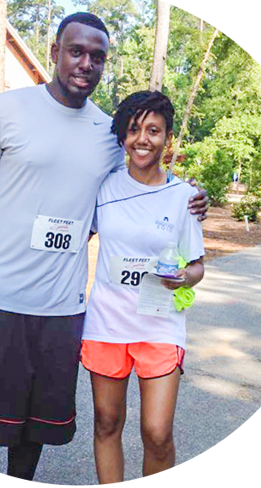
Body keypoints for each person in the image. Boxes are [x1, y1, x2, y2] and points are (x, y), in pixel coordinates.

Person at [0, 13, 208, 486]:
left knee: (35, 425)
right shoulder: (6, 110)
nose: (85, 63)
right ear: (54, 51)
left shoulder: (111, 135)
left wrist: (190, 198)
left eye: (97, 57)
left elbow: (141, 184)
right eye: (76, 51)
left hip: (63, 309)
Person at [81, 91, 205, 486]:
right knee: (106, 422)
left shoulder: (186, 197)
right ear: (122, 136)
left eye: (153, 130)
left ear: (167, 138)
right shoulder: (103, 188)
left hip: (159, 323)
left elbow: (197, 265)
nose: (142, 139)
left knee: (156, 432)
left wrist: (182, 277)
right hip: (106, 323)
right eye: (134, 129)